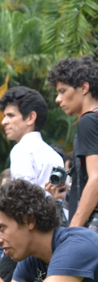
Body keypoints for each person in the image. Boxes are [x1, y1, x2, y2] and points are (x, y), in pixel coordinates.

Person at [48, 57, 98, 227]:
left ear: (84, 87)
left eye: (62, 91)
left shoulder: (88, 121)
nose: (58, 99)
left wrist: (74, 227)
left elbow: (96, 178)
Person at [0, 86, 65, 190]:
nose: (4, 122)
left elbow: (24, 199)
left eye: (10, 116)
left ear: (31, 118)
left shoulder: (21, 150)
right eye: (4, 116)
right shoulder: (56, 157)